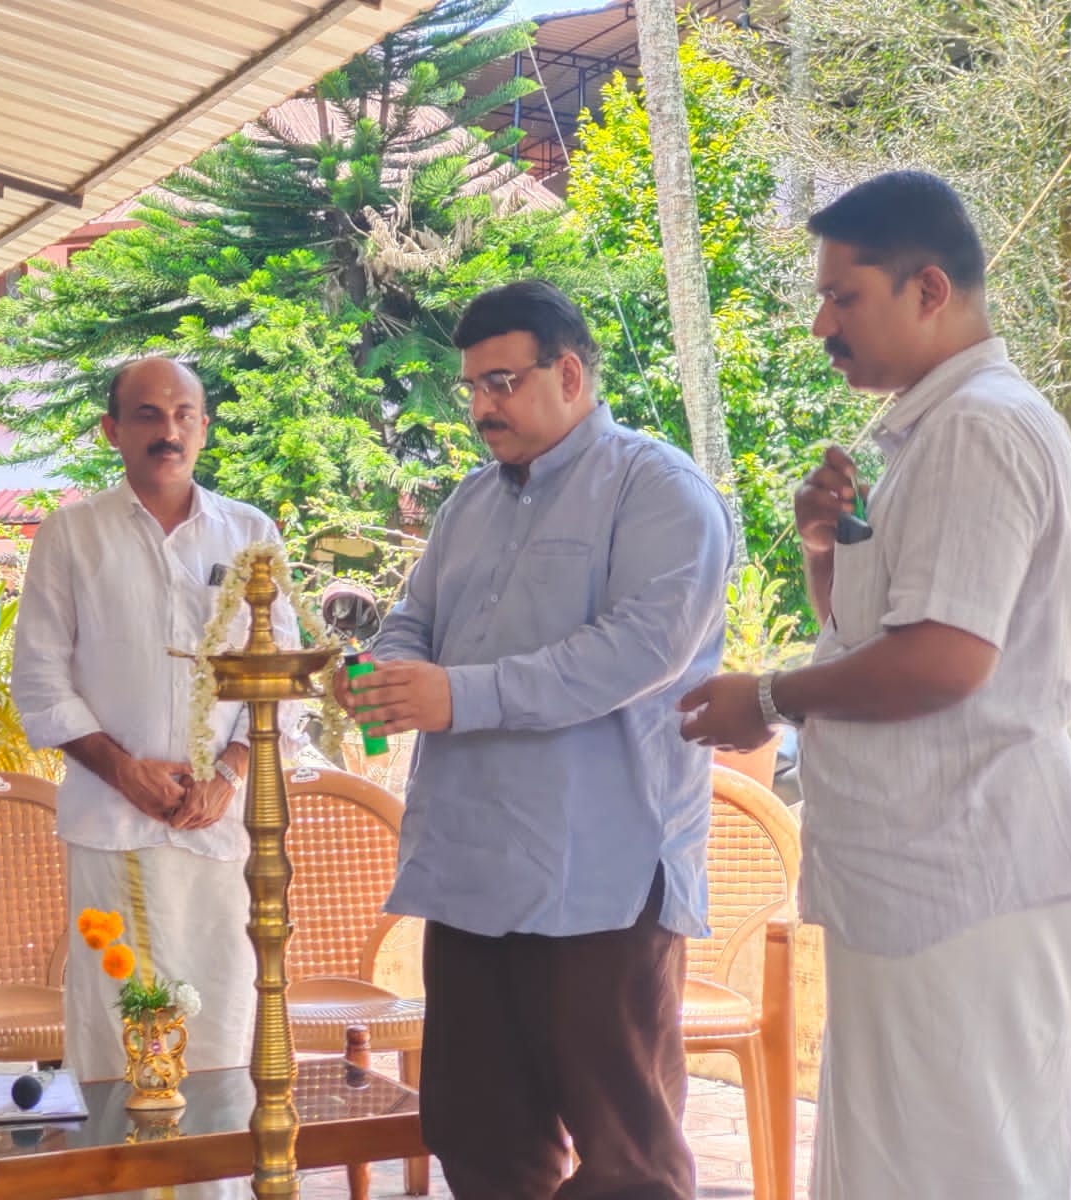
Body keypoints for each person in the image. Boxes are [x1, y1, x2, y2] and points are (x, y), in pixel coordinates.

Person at [678, 171, 1071, 1199]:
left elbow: (946, 661)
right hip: (926, 876)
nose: (821, 324)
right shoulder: (945, 428)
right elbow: (888, 633)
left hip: (959, 876)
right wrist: (828, 546)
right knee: (905, 1160)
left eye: (843, 297)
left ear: (928, 289)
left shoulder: (976, 430)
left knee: (960, 1167)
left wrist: (763, 699)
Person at [341, 280, 733, 1199]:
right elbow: (414, 620)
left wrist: (456, 696)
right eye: (472, 387)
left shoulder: (660, 489)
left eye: (502, 383)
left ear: (568, 373)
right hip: (474, 873)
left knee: (626, 1156)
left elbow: (635, 652)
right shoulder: (469, 505)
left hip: (596, 881)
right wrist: (388, 673)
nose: (481, 408)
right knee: (480, 1139)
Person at [11, 357, 297, 1089]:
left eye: (182, 415)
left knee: (225, 1032)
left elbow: (287, 681)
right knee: (116, 1035)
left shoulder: (250, 534)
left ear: (204, 427)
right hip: (112, 830)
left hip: (224, 834)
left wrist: (231, 775)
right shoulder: (71, 534)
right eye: (146, 415)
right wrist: (124, 771)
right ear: (112, 430)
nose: (166, 431)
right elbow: (40, 682)